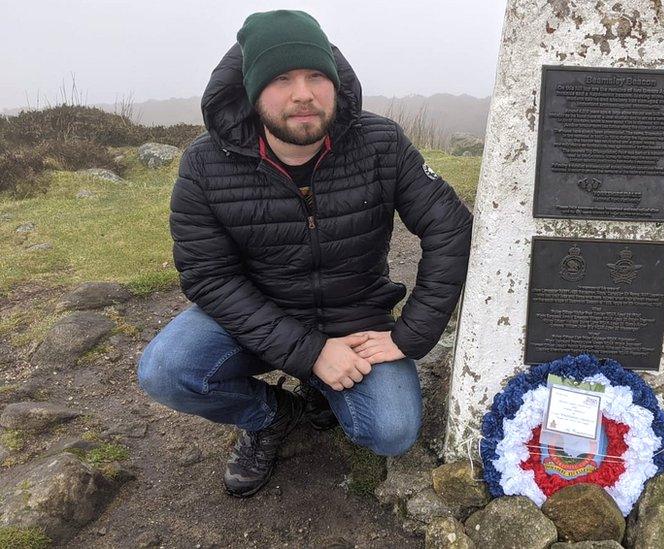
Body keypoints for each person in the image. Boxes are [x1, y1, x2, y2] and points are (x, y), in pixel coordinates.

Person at [137, 9, 473, 498]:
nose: (303, 94)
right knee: (166, 371)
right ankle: (271, 416)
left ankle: (324, 388)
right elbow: (209, 277)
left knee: (391, 431)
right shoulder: (205, 164)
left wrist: (411, 334)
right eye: (281, 79)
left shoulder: (381, 142)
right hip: (256, 314)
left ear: (335, 82)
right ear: (252, 91)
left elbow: (450, 226)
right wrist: (312, 353)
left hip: (354, 319)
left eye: (316, 76)